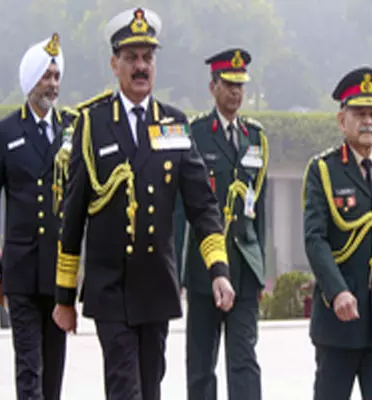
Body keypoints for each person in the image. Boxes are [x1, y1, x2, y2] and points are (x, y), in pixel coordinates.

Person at [50, 8, 235, 400]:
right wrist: (65, 297)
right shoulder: (91, 123)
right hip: (109, 287)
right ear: (114, 64)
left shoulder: (174, 125)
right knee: (125, 388)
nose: (140, 66)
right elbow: (73, 214)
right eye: (131, 57)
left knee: (150, 387)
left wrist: (218, 270)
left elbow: (203, 207)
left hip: (156, 287)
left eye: (147, 57)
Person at [302, 66, 372, 400]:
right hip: (340, 322)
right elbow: (315, 239)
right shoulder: (324, 170)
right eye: (359, 113)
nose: (367, 121)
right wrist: (337, 292)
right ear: (341, 120)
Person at [174, 48, 267, 400]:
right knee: (201, 363)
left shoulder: (255, 138)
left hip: (244, 266)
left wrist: (261, 269)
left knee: (244, 359)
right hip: (204, 268)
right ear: (212, 86)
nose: (236, 93)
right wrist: (178, 271)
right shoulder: (196, 133)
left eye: (240, 85)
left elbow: (260, 207)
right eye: (228, 84)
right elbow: (182, 210)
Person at [0, 32, 77, 400]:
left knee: (54, 367)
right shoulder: (6, 132)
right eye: (46, 76)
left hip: (58, 269)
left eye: (57, 77)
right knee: (29, 366)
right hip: (22, 267)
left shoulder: (71, 130)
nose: (53, 84)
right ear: (31, 80)